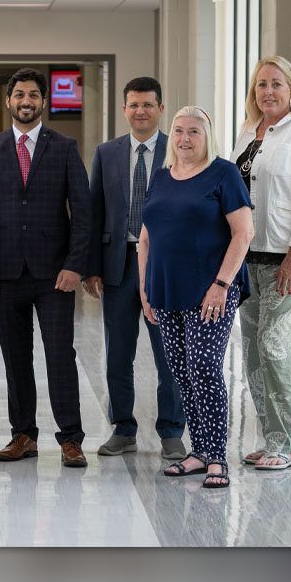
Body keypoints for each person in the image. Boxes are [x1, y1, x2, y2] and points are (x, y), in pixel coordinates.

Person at [0, 68, 92, 468]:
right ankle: (23, 435)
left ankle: (70, 438)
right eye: (19, 94)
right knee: (15, 359)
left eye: (34, 95)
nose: (26, 101)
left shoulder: (65, 147)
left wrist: (75, 265)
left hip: (54, 275)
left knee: (60, 356)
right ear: (8, 101)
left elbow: (83, 213)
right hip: (4, 276)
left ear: (44, 101)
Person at [138, 106, 254, 489]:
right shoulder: (160, 176)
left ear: (207, 137)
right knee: (182, 371)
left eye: (194, 131)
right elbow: (146, 238)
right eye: (179, 131)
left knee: (204, 366)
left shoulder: (224, 173)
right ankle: (199, 451)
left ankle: (217, 455)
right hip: (165, 289)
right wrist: (144, 289)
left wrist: (221, 284)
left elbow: (243, 233)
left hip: (210, 290)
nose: (185, 138)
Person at [230, 56, 291, 470]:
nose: (268, 91)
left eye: (277, 84)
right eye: (261, 84)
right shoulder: (246, 133)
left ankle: (286, 443)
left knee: (277, 349)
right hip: (250, 257)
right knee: (253, 351)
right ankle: (271, 436)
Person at [83, 76, 186, 459]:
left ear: (161, 109)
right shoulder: (106, 152)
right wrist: (92, 267)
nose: (140, 111)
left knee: (169, 354)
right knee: (118, 352)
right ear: (124, 109)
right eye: (134, 105)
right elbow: (94, 211)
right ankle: (123, 429)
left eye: (148, 105)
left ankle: (172, 432)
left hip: (164, 266)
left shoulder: (179, 149)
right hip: (118, 263)